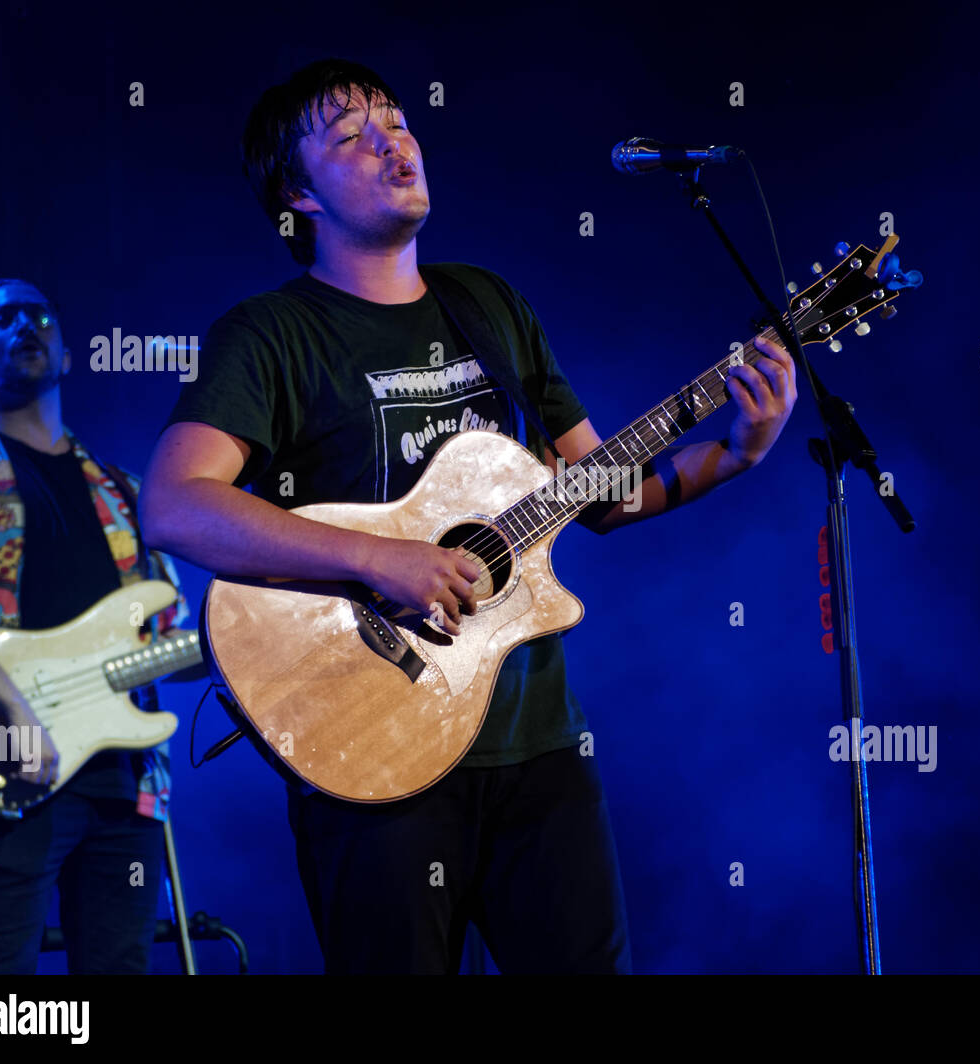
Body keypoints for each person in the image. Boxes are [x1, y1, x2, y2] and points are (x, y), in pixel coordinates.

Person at [139, 58, 797, 974]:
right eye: (351, 135)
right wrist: (382, 560)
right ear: (299, 194)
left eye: (398, 120)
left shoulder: (488, 305)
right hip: (367, 747)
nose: (393, 140)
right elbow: (173, 506)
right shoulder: (271, 335)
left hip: (538, 745)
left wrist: (739, 452)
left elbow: (601, 492)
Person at [0, 278, 186, 974]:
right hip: (0, 769)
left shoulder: (124, 490)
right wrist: (11, 714)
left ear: (68, 354)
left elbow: (178, 635)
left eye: (40, 313)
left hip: (127, 787)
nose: (24, 324)